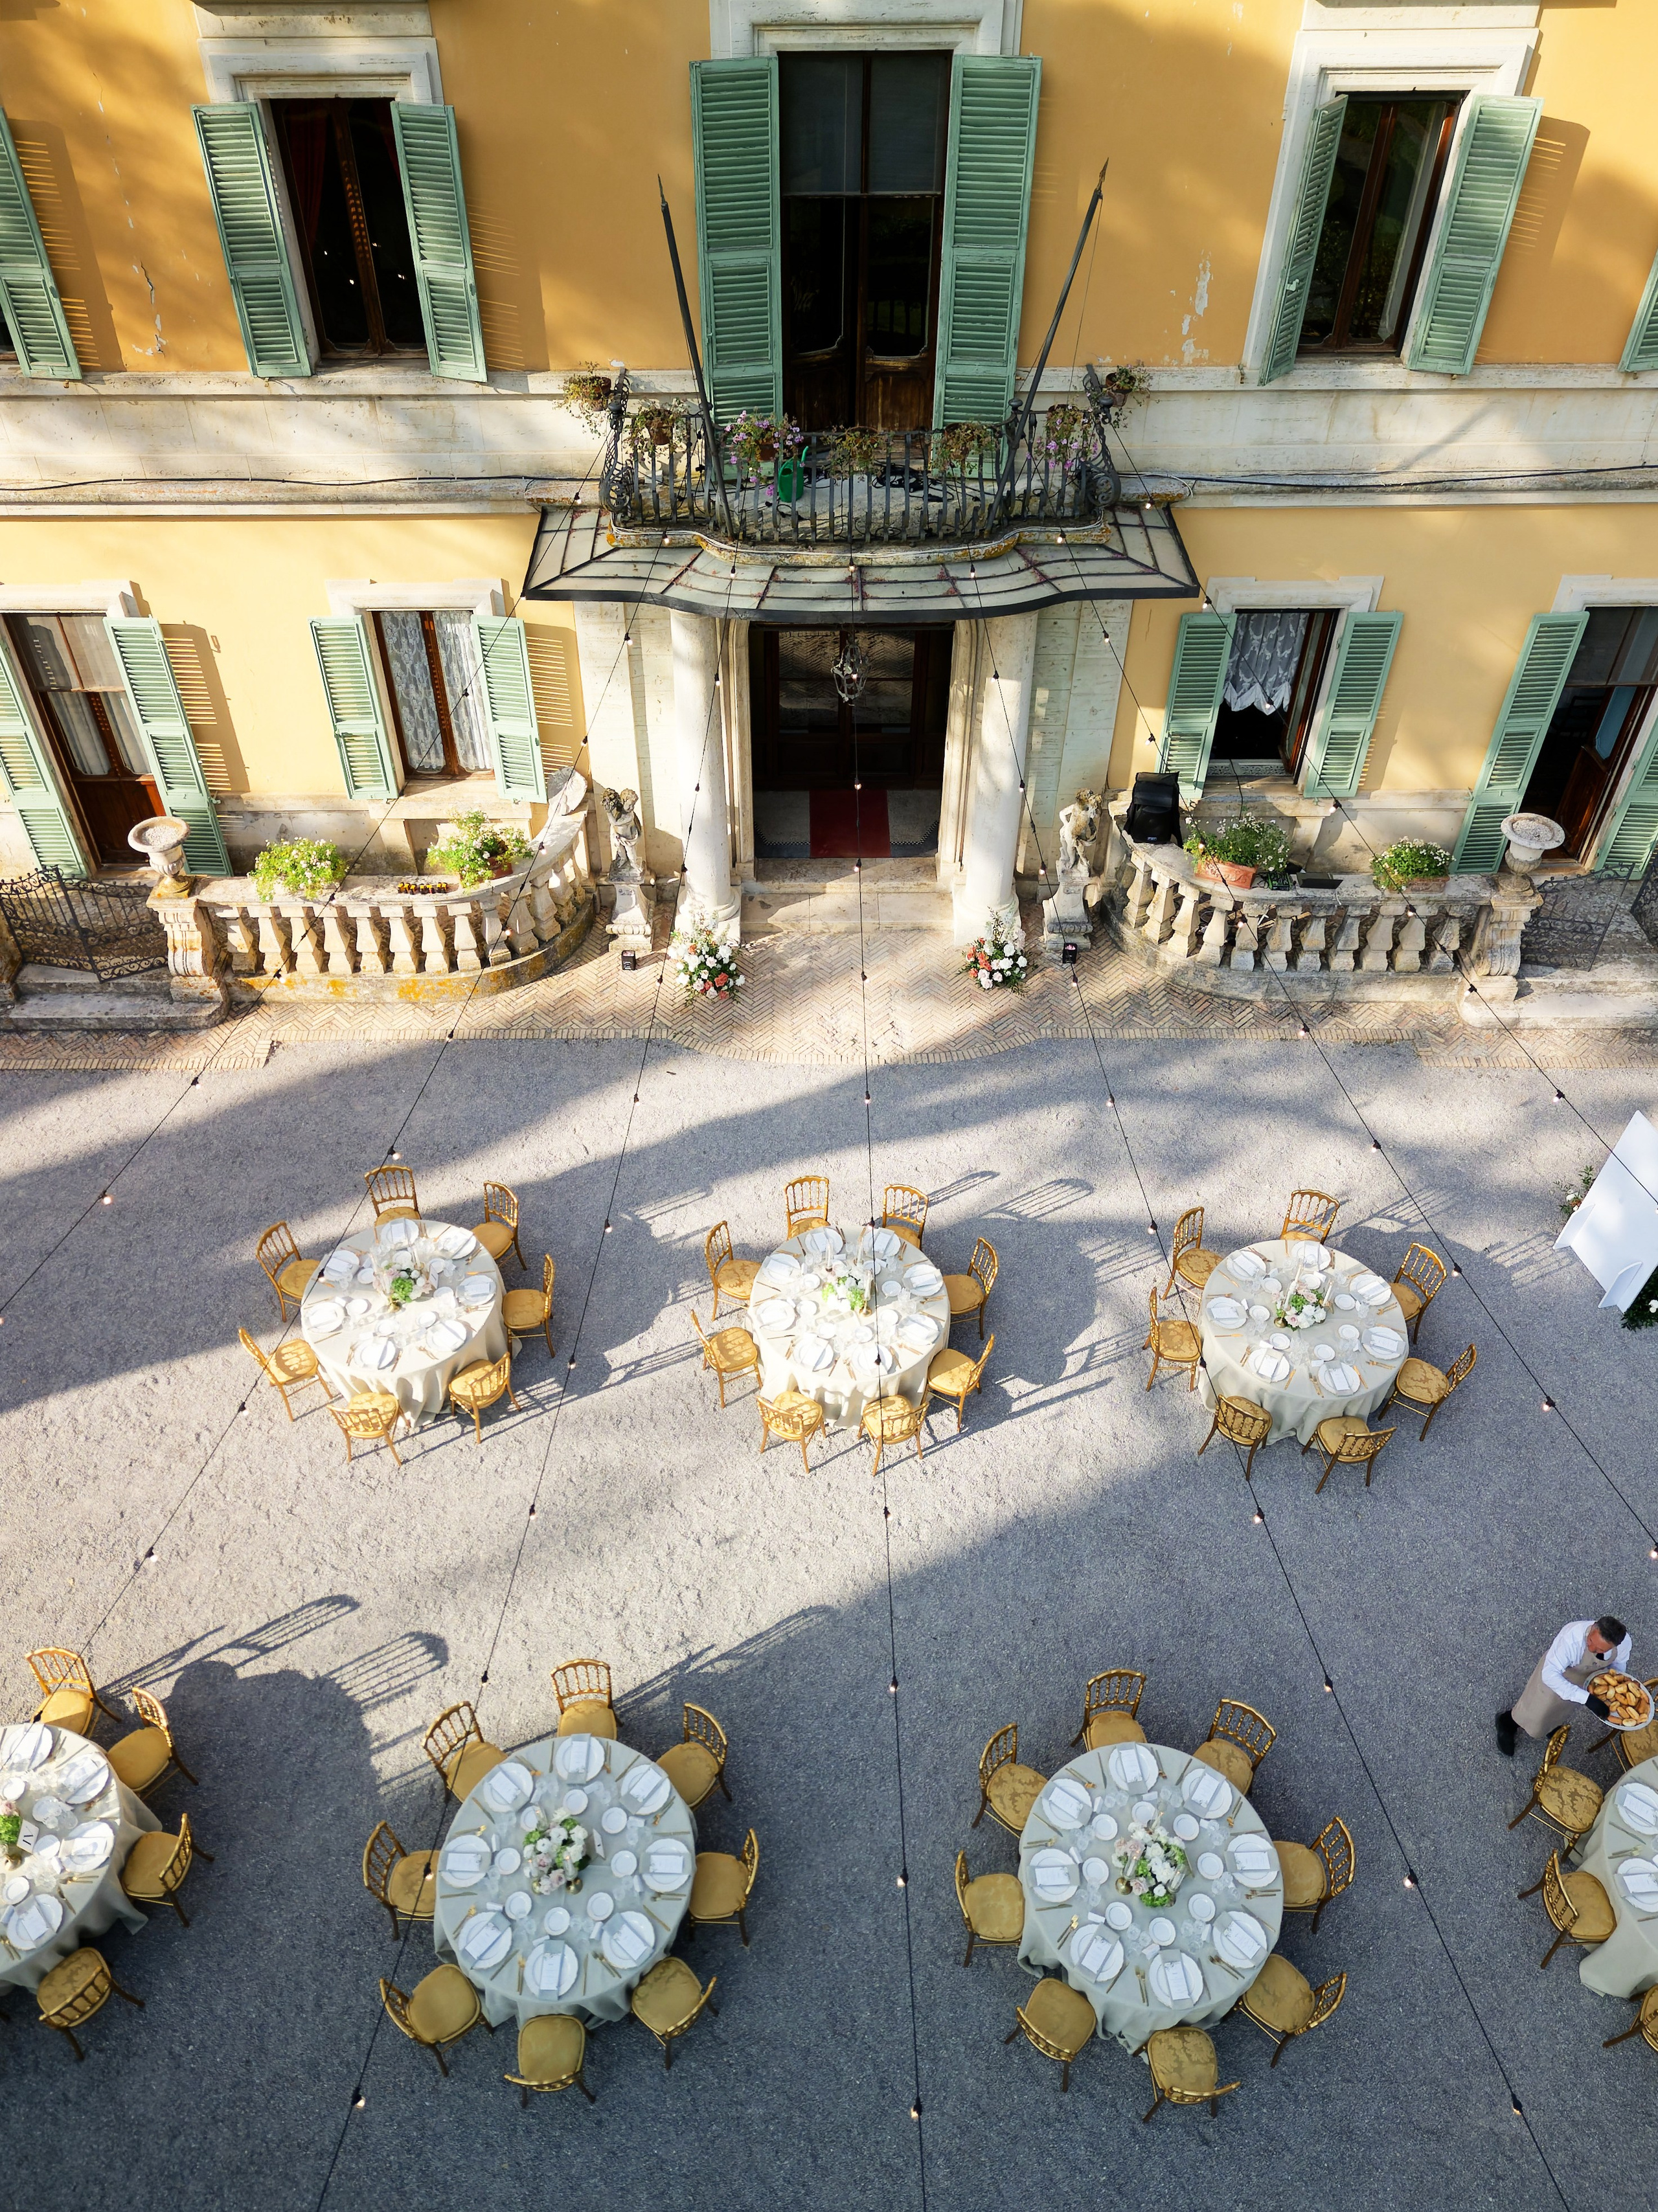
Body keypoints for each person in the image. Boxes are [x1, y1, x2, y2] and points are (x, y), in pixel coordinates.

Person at [1496, 1614, 1631, 1755]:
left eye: (1600, 1650)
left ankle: (1551, 1726)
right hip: (1556, 1675)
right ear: (1593, 1627)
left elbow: (1619, 1664)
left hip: (1583, 1679)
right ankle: (1508, 1722)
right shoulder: (1572, 1639)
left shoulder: (1624, 1643)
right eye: (1590, 1641)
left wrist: (1614, 1684)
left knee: (1564, 1709)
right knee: (1536, 1709)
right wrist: (1587, 1699)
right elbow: (1549, 1674)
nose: (1591, 1649)